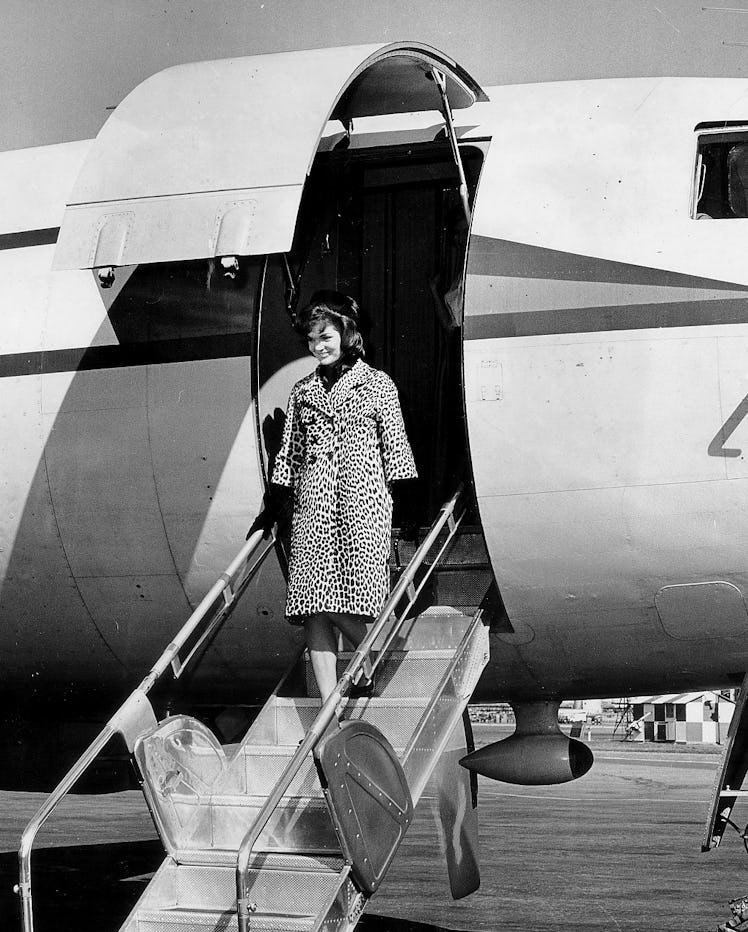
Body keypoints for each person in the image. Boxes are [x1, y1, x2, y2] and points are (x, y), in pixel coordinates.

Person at [250, 290, 417, 708]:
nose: (318, 347)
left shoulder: (378, 385)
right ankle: (329, 706)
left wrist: (403, 511)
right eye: (311, 340)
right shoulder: (302, 391)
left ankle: (383, 655)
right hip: (312, 508)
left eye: (325, 336)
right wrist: (274, 507)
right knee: (311, 605)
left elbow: (396, 449)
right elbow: (288, 455)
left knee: (349, 600)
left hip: (362, 506)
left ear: (346, 333)